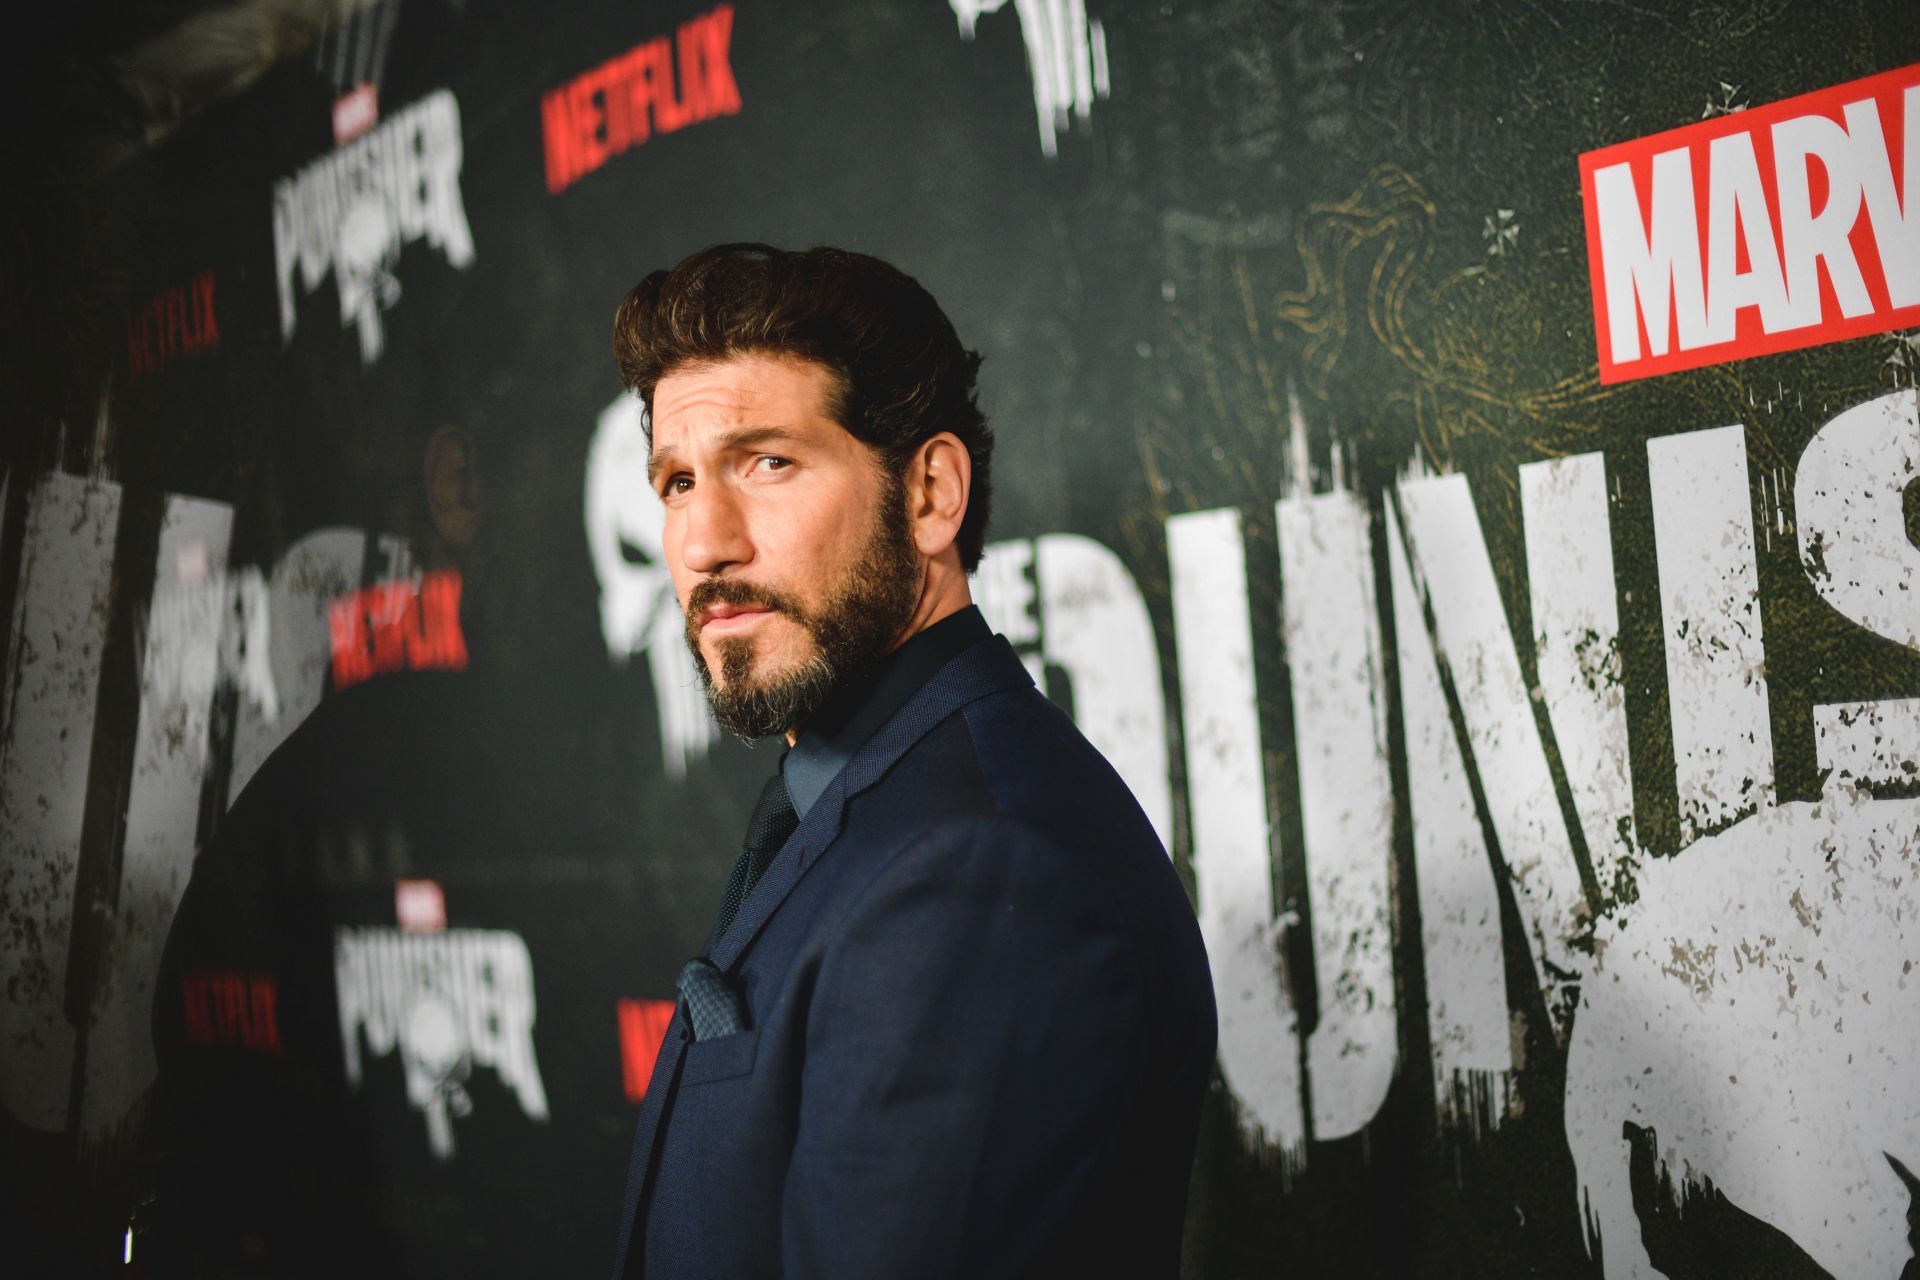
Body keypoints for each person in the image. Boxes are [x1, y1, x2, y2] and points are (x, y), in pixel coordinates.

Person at [608, 243, 1217, 1278]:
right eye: (676, 481)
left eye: (768, 461)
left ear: (931, 493)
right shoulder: (873, 797)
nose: (705, 539)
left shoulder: (979, 869)